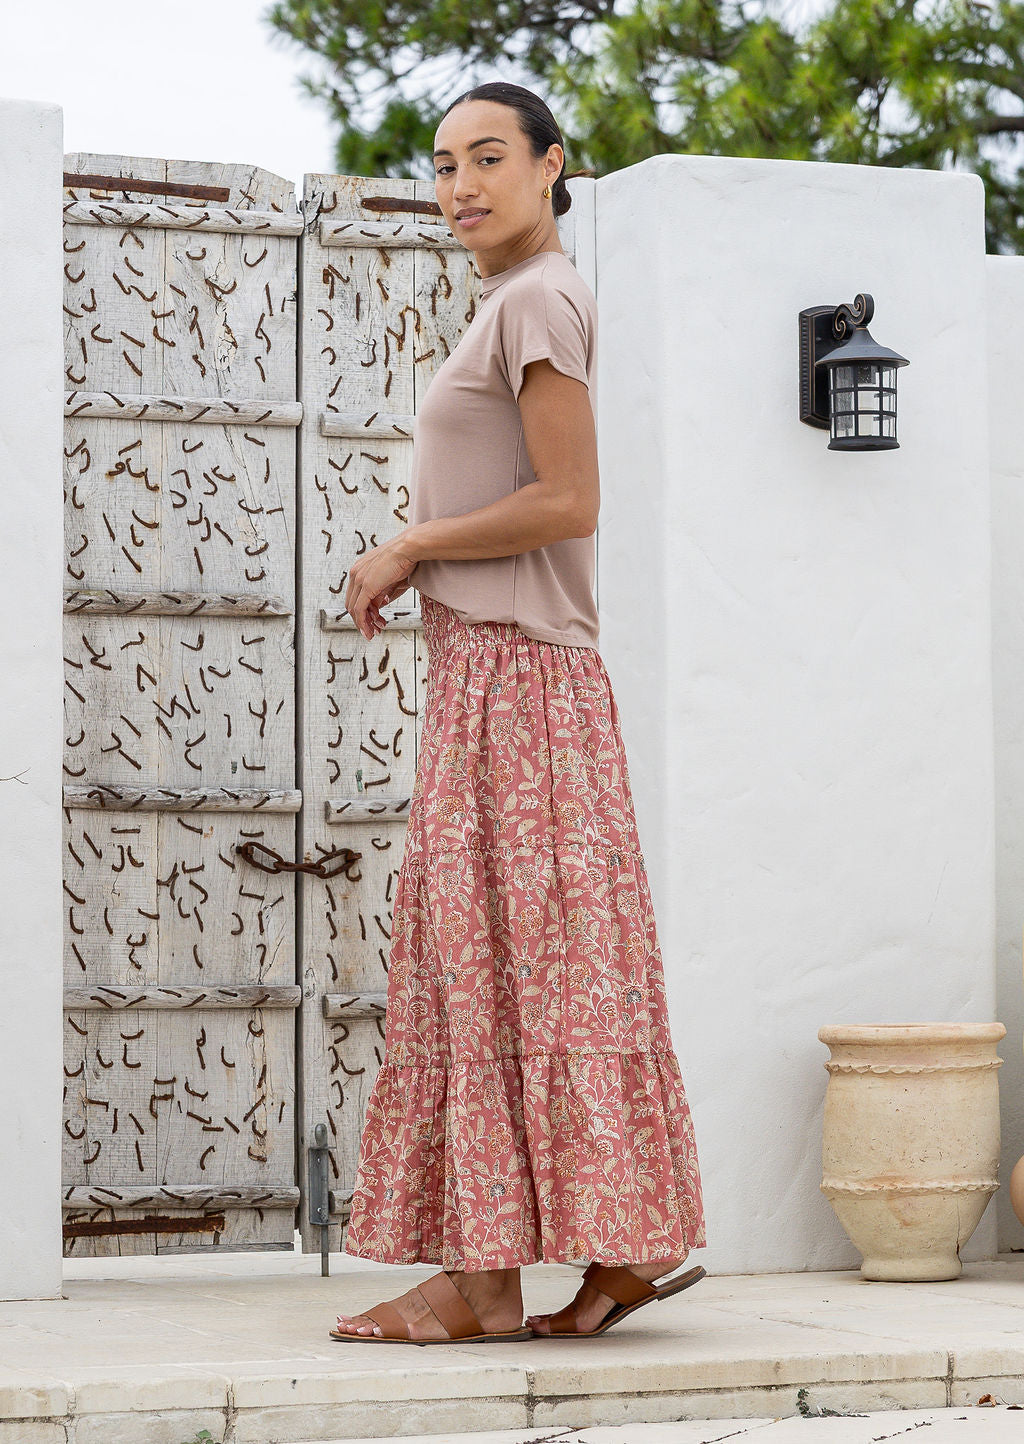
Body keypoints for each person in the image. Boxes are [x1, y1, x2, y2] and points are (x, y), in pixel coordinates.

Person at [330, 80, 707, 1346]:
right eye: (442, 166)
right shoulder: (510, 302)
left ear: (554, 167)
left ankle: (486, 1279)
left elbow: (571, 499)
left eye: (488, 158)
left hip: (519, 683)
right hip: (501, 680)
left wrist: (410, 544)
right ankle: (612, 1252)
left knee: (492, 968)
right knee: (532, 969)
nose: (460, 186)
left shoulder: (538, 297)